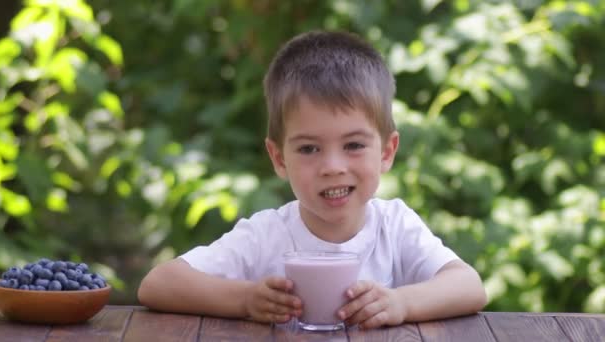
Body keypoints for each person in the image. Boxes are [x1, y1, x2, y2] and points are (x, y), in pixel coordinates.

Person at [137, 30, 487, 329]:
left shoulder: (394, 227)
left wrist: (402, 303)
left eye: (353, 145)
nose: (332, 166)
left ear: (386, 152)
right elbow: (158, 284)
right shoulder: (266, 235)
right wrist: (245, 299)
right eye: (308, 149)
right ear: (279, 158)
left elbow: (469, 286)